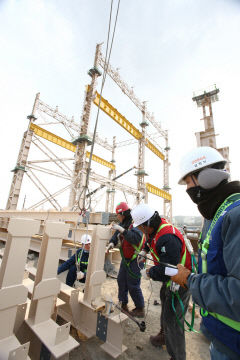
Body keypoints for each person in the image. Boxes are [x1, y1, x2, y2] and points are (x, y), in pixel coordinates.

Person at [171, 146, 240, 360]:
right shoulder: (216, 213)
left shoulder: (235, 215)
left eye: (189, 182)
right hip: (222, 336)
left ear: (206, 177)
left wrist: (190, 281)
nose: (187, 189)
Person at [131, 203, 192, 360]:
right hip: (171, 281)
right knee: (166, 305)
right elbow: (150, 240)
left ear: (148, 224)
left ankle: (177, 356)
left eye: (140, 228)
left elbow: (169, 270)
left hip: (181, 281)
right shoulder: (155, 227)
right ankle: (164, 336)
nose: (140, 231)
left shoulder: (168, 238)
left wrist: (150, 272)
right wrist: (145, 249)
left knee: (174, 320)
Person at [106, 202, 145, 317]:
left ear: (123, 213)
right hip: (126, 258)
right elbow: (116, 235)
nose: (117, 216)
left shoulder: (135, 224)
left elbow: (135, 239)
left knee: (133, 284)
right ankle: (123, 304)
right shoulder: (123, 223)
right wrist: (112, 243)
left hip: (136, 259)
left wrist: (123, 231)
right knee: (121, 280)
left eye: (118, 214)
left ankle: (140, 308)